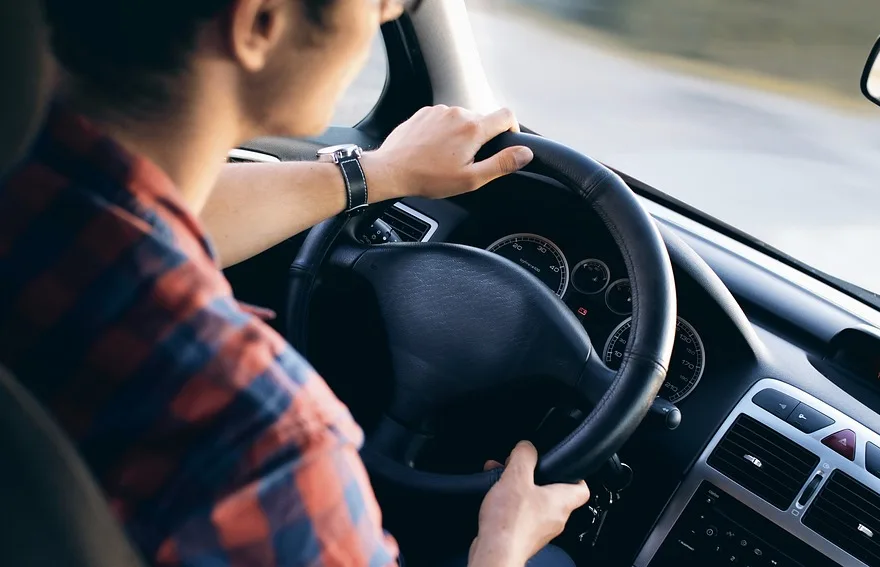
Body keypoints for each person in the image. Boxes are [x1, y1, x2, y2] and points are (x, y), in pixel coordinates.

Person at [0, 0, 590, 566]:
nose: (386, 12)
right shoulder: (263, 442)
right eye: (381, 0)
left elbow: (152, 214)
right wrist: (502, 546)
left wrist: (379, 173)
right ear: (261, 20)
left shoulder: (34, 199)